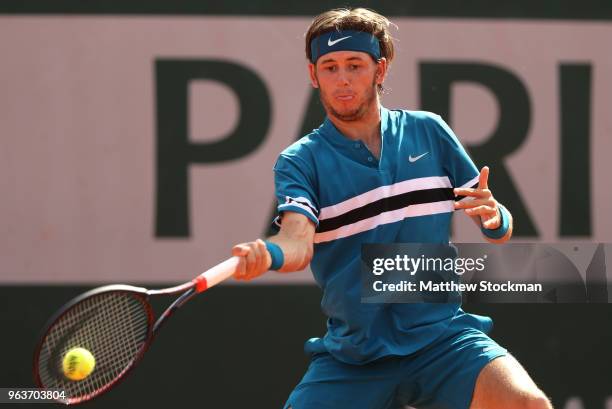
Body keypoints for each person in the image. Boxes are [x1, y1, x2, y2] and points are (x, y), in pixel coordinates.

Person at [232, 7, 552, 409]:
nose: (342, 79)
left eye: (355, 65)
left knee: (527, 403)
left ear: (380, 70)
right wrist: (271, 253)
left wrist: (494, 217)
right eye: (329, 67)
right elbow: (298, 240)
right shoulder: (299, 161)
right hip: (355, 356)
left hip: (444, 338)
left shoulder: (429, 131)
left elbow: (498, 224)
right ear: (314, 76)